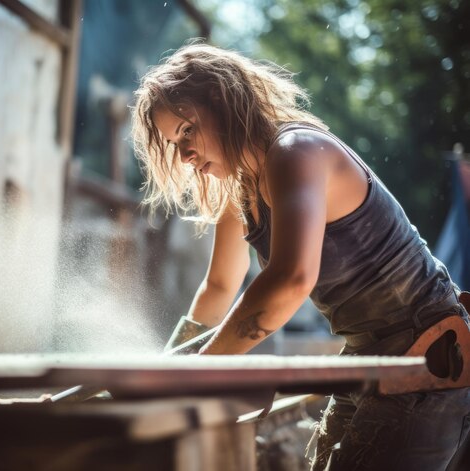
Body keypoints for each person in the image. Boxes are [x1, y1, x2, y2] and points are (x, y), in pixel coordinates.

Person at [131, 42, 470, 470]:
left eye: (186, 132)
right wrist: (168, 369)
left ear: (220, 100)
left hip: (430, 355)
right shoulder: (241, 190)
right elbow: (218, 287)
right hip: (371, 355)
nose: (184, 156)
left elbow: (290, 281)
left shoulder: (296, 152)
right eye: (173, 143)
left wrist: (196, 373)